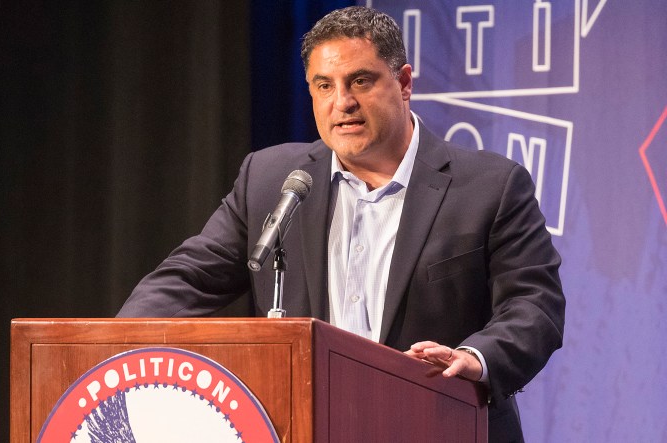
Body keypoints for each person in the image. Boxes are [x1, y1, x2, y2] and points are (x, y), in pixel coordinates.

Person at [118, 6, 565, 442]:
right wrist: (110, 348)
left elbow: (535, 306)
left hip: (441, 423)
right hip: (305, 425)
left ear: (404, 82)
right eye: (324, 85)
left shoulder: (491, 185)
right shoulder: (273, 180)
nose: (342, 103)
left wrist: (474, 358)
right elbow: (187, 279)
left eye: (361, 81)